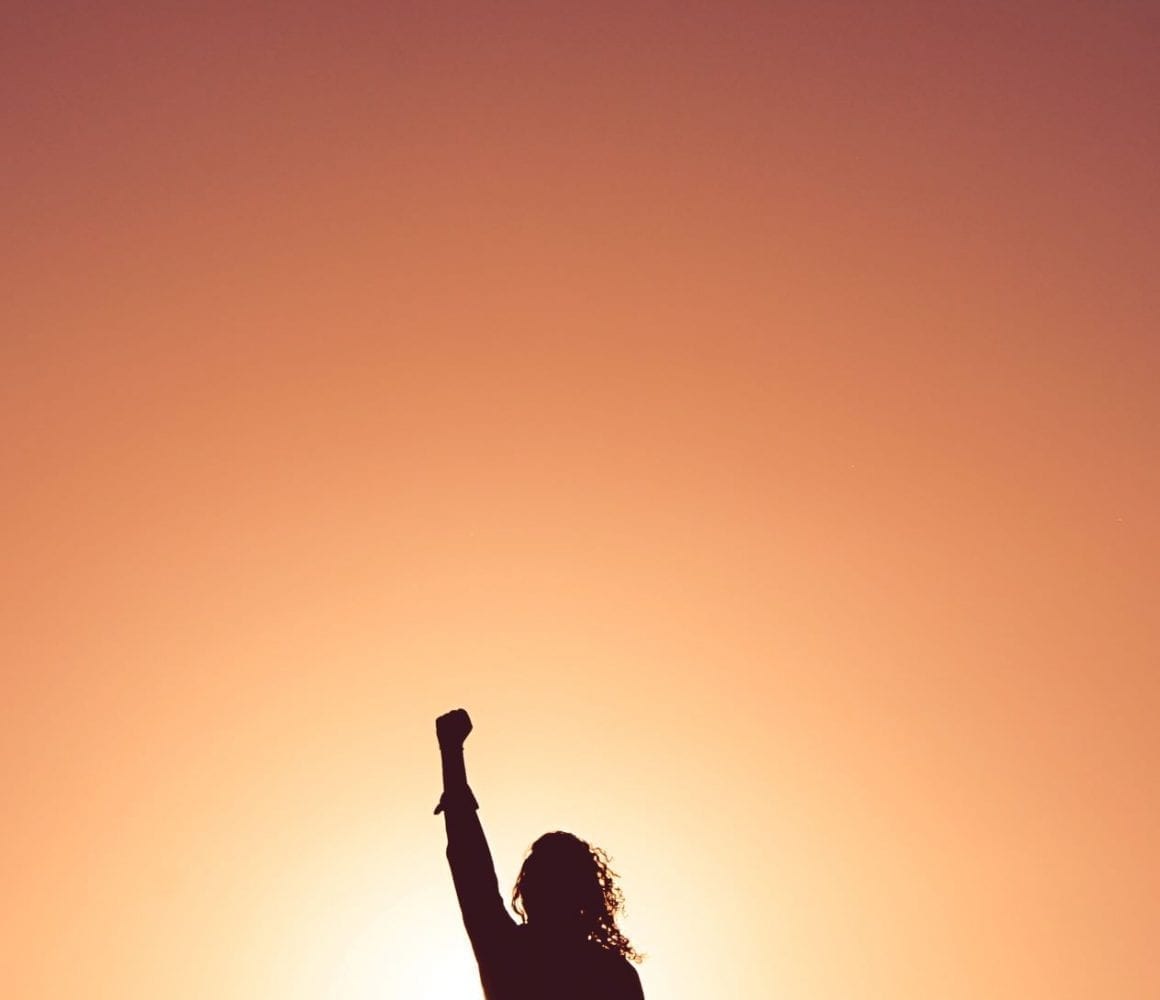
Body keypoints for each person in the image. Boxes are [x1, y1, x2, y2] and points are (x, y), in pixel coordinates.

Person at [434, 708, 645, 1000]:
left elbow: (471, 867)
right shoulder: (611, 971)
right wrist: (451, 756)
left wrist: (451, 751)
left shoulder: (505, 949)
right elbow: (470, 864)